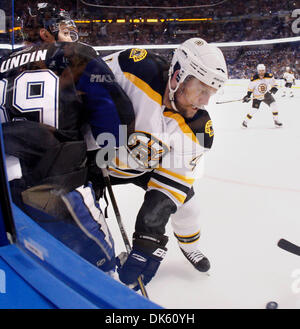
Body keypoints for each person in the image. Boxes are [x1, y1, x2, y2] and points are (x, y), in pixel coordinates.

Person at [0, 3, 135, 274]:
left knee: (24, 266)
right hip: (55, 186)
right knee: (97, 272)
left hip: (5, 189)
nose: (72, 36)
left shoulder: (1, 64)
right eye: (64, 30)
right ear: (45, 33)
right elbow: (116, 118)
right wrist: (102, 155)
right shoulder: (76, 56)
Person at [97, 38, 228, 289]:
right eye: (201, 89)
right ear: (179, 75)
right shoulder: (135, 67)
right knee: (92, 232)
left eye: (210, 93)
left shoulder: (199, 127)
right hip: (93, 161)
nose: (205, 101)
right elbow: (84, 84)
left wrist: (150, 235)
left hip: (142, 166)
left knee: (188, 207)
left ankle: (191, 246)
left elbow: (172, 182)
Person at [241, 64, 282, 128]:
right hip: (257, 96)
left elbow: (275, 86)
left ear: (265, 70)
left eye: (263, 70)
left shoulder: (269, 76)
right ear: (258, 71)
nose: (261, 72)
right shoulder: (254, 79)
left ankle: (276, 121)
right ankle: (245, 122)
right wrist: (248, 96)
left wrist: (270, 91)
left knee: (274, 105)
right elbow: (250, 89)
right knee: (254, 109)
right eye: (260, 71)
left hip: (266, 95)